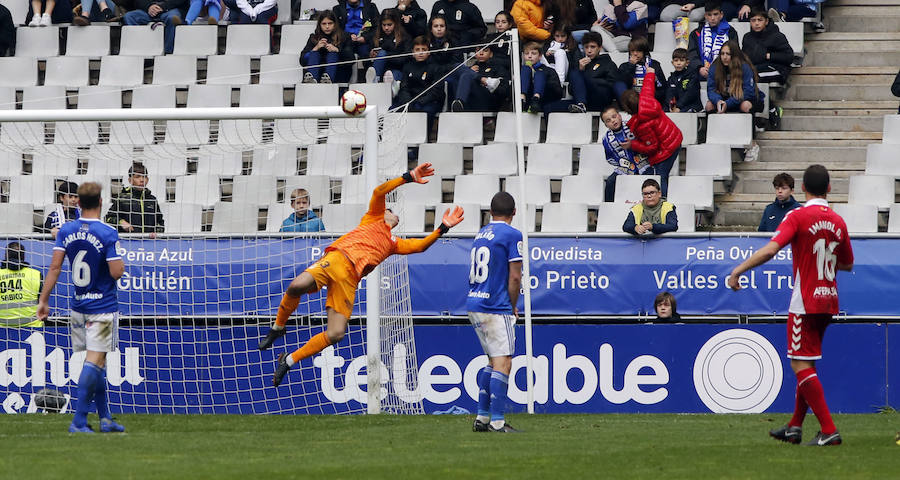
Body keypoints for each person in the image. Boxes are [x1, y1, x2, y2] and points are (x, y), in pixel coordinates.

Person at [261, 163, 465, 386]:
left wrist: (442, 228)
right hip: (336, 260)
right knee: (296, 286)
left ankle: (289, 361)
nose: (393, 213)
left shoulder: (393, 243)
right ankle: (278, 328)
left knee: (337, 333)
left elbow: (421, 246)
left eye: (395, 213)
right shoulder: (373, 217)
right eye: (390, 210)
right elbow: (379, 192)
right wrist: (408, 177)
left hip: (349, 281)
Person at [728, 164, 853, 447]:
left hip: (805, 300)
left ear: (804, 189)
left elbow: (772, 249)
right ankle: (795, 426)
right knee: (806, 363)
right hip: (829, 299)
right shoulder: (838, 220)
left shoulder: (797, 215)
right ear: (829, 189)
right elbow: (847, 263)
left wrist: (738, 271)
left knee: (800, 364)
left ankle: (829, 429)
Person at [37, 182, 126, 434]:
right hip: (102, 305)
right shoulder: (108, 232)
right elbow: (116, 272)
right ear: (101, 202)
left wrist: (44, 300)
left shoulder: (66, 230)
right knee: (94, 360)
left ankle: (106, 418)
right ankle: (78, 420)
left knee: (99, 362)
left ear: (77, 203)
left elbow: (54, 268)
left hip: (78, 304)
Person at [469, 191, 523, 434]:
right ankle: (498, 422)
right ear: (514, 212)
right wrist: (512, 306)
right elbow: (514, 276)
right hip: (495, 305)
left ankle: (481, 418)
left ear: (490, 213)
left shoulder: (481, 234)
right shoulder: (513, 234)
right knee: (504, 362)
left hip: (475, 303)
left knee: (492, 360)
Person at [620, 68, 683, 196]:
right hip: (673, 137)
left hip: (666, 149)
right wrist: (650, 73)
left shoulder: (642, 125)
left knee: (660, 177)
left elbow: (652, 146)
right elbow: (648, 87)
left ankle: (663, 204)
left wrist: (633, 145)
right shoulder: (646, 100)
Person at [601, 106, 650, 202]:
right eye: (608, 120)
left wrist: (633, 146)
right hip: (625, 167)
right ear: (606, 125)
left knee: (653, 179)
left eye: (614, 116)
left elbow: (647, 144)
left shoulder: (633, 125)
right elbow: (610, 158)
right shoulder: (606, 139)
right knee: (611, 181)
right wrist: (623, 163)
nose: (613, 121)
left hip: (644, 163)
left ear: (620, 116)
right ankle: (608, 209)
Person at [392, 36, 445, 124]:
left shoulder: (436, 68)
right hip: (410, 101)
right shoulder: (407, 67)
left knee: (425, 112)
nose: (420, 52)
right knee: (392, 110)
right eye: (417, 49)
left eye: (423, 49)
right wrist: (408, 102)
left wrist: (420, 102)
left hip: (429, 102)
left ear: (428, 52)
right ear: (413, 52)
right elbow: (404, 87)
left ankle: (425, 137)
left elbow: (436, 91)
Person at [705, 41, 764, 115]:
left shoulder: (744, 67)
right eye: (722, 54)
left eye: (728, 54)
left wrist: (728, 103)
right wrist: (718, 101)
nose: (724, 57)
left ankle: (751, 125)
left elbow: (748, 92)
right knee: (709, 105)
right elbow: (711, 89)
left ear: (734, 55)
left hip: (744, 100)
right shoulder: (714, 68)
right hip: (724, 100)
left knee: (745, 105)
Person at [451, 38, 511, 112]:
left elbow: (503, 90)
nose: (481, 53)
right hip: (473, 101)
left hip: (489, 101)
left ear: (491, 54)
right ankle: (458, 105)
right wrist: (476, 76)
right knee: (456, 70)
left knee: (466, 75)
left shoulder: (498, 67)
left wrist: (485, 84)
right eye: (478, 51)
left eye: (485, 50)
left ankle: (459, 104)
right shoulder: (470, 69)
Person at [105, 163, 165, 236]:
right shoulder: (122, 198)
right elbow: (108, 219)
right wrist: (121, 222)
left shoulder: (152, 200)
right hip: (128, 242)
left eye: (144, 177)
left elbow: (160, 222)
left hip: (149, 242)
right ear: (130, 180)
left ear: (148, 180)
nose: (142, 180)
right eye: (137, 177)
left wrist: (157, 232)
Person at [566, 32, 617, 112]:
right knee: (550, 107)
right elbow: (571, 91)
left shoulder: (608, 63)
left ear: (599, 48)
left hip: (601, 99)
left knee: (577, 73)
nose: (589, 50)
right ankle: (581, 104)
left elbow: (612, 85)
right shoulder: (580, 64)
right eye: (586, 47)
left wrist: (589, 78)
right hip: (584, 100)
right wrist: (581, 70)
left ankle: (581, 105)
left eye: (592, 47)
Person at [687, 1, 738, 80]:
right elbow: (692, 54)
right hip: (700, 74)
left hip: (725, 75)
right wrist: (699, 68)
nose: (712, 18)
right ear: (705, 16)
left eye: (715, 14)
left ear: (721, 15)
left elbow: (735, 53)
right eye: (709, 15)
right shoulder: (696, 33)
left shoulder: (731, 32)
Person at [300, 10, 354, 84]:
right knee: (314, 53)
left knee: (332, 54)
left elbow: (351, 58)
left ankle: (328, 79)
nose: (327, 26)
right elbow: (302, 61)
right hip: (318, 72)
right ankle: (311, 80)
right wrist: (315, 48)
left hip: (339, 73)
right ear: (320, 25)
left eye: (330, 23)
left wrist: (337, 50)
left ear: (335, 24)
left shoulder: (345, 37)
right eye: (324, 24)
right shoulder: (314, 38)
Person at [742, 8, 792, 85]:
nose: (756, 23)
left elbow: (789, 57)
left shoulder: (777, 36)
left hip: (776, 69)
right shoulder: (747, 37)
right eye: (753, 20)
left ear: (766, 21)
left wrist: (768, 56)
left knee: (750, 77)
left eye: (760, 20)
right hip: (755, 68)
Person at [0, 242, 43, 328]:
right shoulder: (35, 275)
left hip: (2, 329)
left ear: (6, 256)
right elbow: (42, 301)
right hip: (32, 327)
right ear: (23, 257)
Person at [615, 36, 666, 107]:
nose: (635, 54)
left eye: (638, 51)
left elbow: (662, 88)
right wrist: (631, 66)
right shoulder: (624, 66)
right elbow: (621, 86)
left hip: (650, 102)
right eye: (632, 51)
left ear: (644, 51)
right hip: (631, 103)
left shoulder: (654, 64)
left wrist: (654, 79)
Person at [123, 0, 188, 54]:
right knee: (129, 17)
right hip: (149, 11)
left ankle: (168, 54)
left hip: (170, 9)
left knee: (172, 18)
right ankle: (140, 50)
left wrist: (162, 7)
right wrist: (149, 7)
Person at [366, 9, 411, 84]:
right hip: (379, 69)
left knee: (383, 55)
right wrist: (371, 57)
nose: (386, 28)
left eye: (389, 25)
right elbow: (367, 63)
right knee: (381, 54)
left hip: (396, 70)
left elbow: (406, 58)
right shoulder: (375, 37)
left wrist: (387, 55)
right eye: (384, 25)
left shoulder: (405, 37)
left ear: (396, 23)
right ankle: (374, 81)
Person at [520, 41, 563, 114]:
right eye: (527, 53)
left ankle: (535, 100)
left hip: (545, 100)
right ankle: (521, 100)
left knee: (540, 72)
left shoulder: (549, 70)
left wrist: (540, 82)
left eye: (533, 53)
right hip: (527, 101)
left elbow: (557, 91)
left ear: (540, 56)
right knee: (525, 69)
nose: (529, 56)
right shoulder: (520, 71)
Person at [665, 48, 703, 112]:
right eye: (676, 60)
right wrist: (671, 106)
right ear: (672, 62)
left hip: (691, 106)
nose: (678, 63)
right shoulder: (671, 79)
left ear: (687, 63)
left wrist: (678, 107)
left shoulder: (693, 76)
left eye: (682, 60)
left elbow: (689, 95)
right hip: (676, 107)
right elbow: (669, 95)